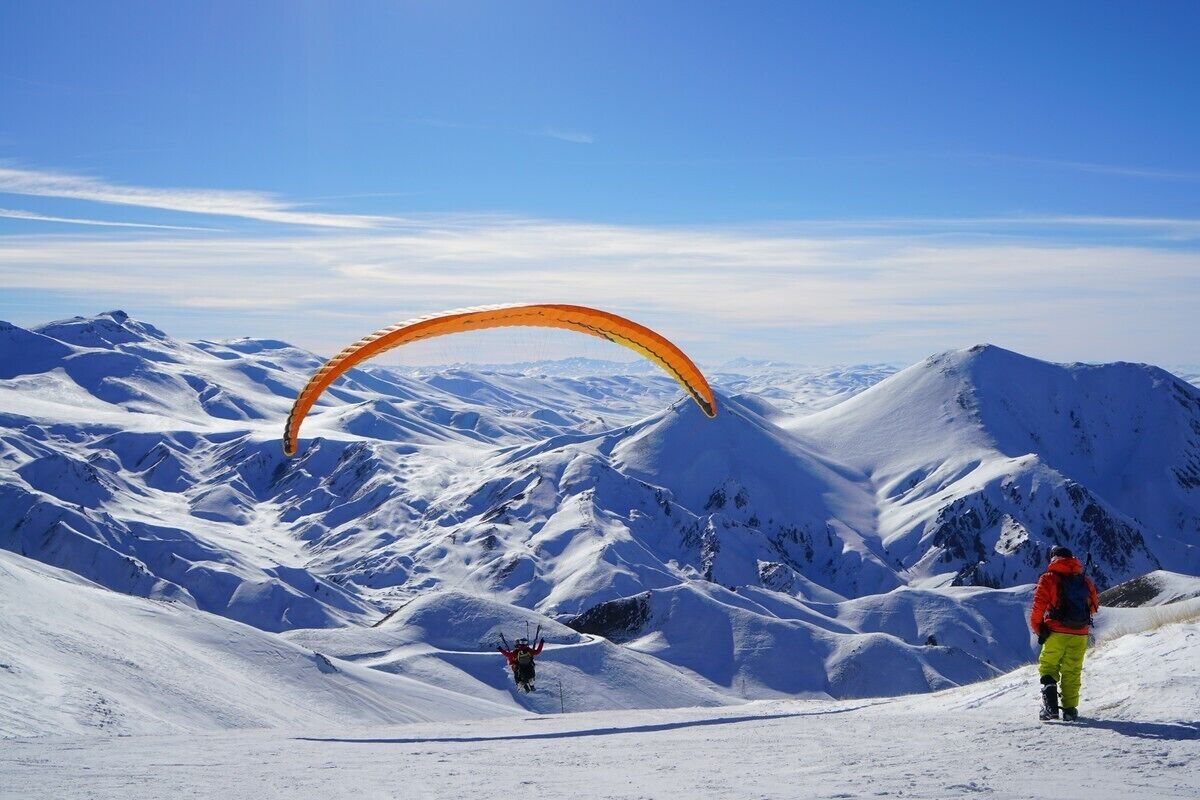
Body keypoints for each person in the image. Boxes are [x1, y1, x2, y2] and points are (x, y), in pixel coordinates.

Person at [1029, 545, 1099, 721]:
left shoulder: (1048, 578)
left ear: (1053, 558)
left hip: (1056, 631)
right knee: (1072, 670)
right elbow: (1094, 606)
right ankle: (1070, 711)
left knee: (1048, 666)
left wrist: (1039, 628)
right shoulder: (1084, 580)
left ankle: (1051, 708)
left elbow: (1038, 607)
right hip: (1080, 632)